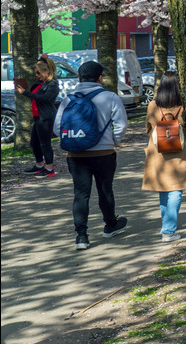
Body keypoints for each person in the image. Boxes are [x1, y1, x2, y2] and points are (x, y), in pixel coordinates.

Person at [53, 60, 129, 250]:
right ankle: (110, 225)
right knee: (105, 190)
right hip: (104, 153)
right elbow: (121, 124)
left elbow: (57, 128)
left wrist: (74, 140)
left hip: (76, 155)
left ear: (79, 77)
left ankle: (81, 236)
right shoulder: (110, 97)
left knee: (80, 194)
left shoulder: (68, 99)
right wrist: (113, 141)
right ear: (100, 78)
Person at [142, 71, 186, 243]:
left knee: (164, 189)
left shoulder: (153, 106)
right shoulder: (184, 105)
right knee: (176, 190)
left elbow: (148, 129)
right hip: (179, 153)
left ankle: (167, 227)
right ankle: (168, 230)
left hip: (158, 153)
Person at [14, 54, 60, 178]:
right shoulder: (41, 81)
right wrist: (41, 58)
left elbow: (44, 99)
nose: (37, 75)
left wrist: (25, 93)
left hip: (45, 117)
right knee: (34, 142)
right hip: (37, 116)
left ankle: (49, 168)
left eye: (38, 73)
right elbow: (43, 64)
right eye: (36, 73)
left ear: (46, 71)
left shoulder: (52, 85)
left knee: (45, 143)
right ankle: (39, 165)